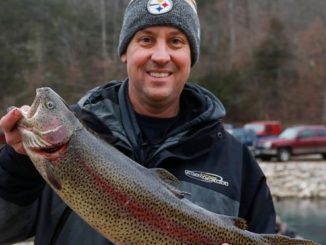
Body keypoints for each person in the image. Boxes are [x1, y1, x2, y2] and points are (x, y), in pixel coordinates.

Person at [0, 0, 276, 244]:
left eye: (176, 41)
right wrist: (16, 166)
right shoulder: (64, 146)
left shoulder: (236, 162)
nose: (160, 55)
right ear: (125, 52)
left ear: (191, 55)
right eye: (146, 39)